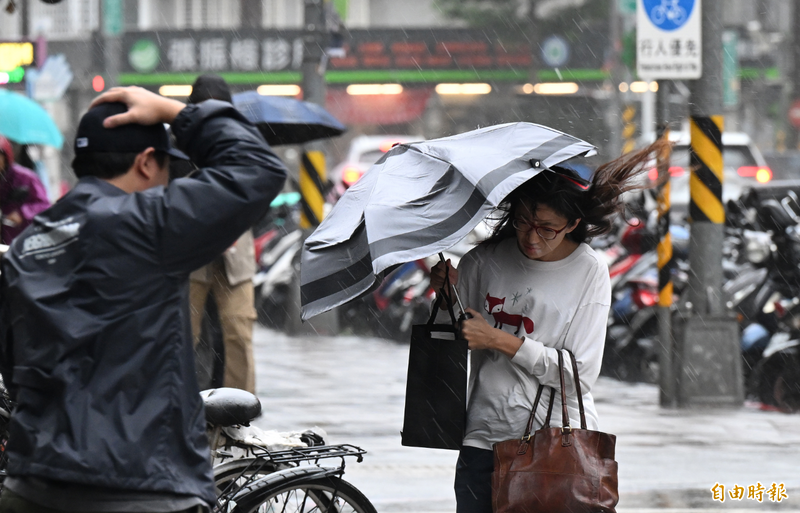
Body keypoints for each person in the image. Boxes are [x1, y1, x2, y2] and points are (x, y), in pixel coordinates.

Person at [0, 86, 287, 511]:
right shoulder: (148, 223)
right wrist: (177, 112)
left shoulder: (29, 245)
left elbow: (14, 366)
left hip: (32, 486)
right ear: (147, 161)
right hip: (140, 487)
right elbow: (257, 167)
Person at [429, 143, 665, 513]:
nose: (532, 237)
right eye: (524, 221)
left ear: (572, 224)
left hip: (553, 445)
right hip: (483, 438)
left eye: (547, 228)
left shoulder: (589, 271)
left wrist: (501, 340)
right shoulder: (483, 261)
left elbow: (578, 375)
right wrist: (447, 298)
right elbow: (457, 338)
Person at [186, 74, 258, 394]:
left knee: (239, 332)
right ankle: (177, 410)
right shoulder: (179, 142)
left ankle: (238, 414)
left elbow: (261, 191)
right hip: (190, 252)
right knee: (183, 334)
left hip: (234, 250)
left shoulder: (246, 141)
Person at [0, 136, 50, 244]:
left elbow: (44, 205)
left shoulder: (26, 177)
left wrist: (22, 213)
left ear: (5, 156)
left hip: (23, 242)